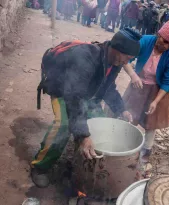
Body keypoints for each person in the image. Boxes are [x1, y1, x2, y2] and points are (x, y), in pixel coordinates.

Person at [31, 28, 141, 188]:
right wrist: (83, 135)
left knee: (100, 120)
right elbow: (74, 96)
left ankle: (83, 159)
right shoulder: (86, 56)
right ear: (117, 48)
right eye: (127, 57)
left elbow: (108, 88)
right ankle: (40, 167)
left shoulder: (114, 62)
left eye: (130, 59)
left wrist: (121, 108)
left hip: (84, 92)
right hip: (62, 90)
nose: (127, 63)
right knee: (63, 125)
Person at [123, 18, 169, 162]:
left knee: (151, 123)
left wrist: (156, 102)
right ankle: (125, 145)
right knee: (129, 115)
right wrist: (133, 75)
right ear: (159, 34)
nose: (166, 45)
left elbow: (167, 83)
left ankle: (145, 153)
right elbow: (125, 59)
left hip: (158, 90)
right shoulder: (144, 41)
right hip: (138, 84)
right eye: (164, 41)